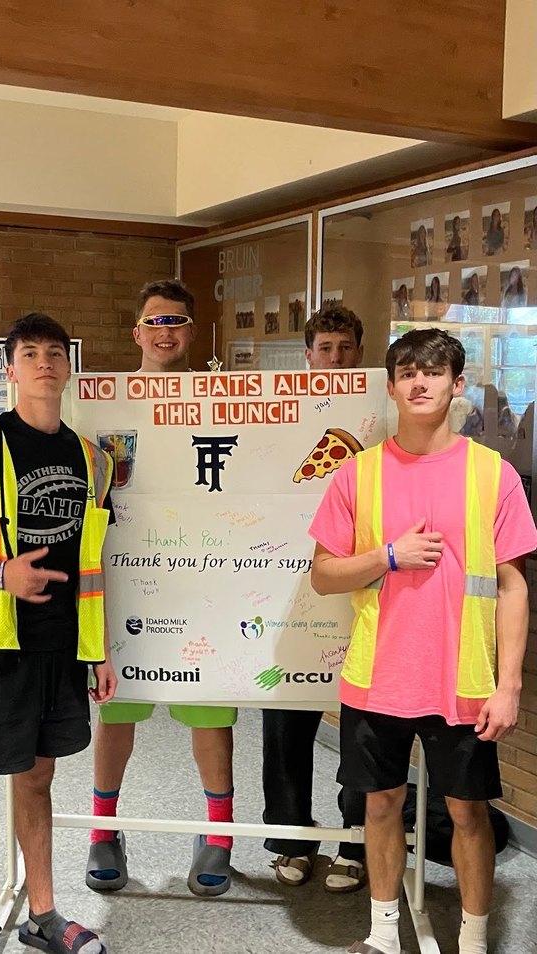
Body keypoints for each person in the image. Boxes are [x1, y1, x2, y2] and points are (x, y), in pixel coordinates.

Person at [309, 328, 537, 954]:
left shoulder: (494, 475)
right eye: (407, 372)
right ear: (390, 386)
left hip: (464, 681)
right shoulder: (358, 474)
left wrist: (508, 684)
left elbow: (514, 587)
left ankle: (473, 938)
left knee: (467, 813)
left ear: (456, 385)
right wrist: (387, 556)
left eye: (433, 373)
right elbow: (324, 575)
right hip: (377, 676)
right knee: (379, 806)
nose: (419, 382)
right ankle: (382, 934)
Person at [0, 313, 116, 954]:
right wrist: (0, 574)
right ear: (9, 369)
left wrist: (101, 651)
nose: (44, 363)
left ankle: (43, 913)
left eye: (55, 353)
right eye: (30, 353)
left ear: (68, 367)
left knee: (36, 780)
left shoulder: (93, 460)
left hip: (60, 646)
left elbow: (94, 562)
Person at [86, 279, 239, 898]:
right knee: (117, 708)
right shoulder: (106, 406)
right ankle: (102, 829)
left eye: (177, 320)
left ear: (192, 331)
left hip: (202, 577)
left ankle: (220, 834)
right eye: (155, 321)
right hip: (126, 577)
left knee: (210, 710)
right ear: (137, 333)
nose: (166, 330)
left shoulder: (220, 400)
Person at [260, 304, 368, 892]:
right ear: (307, 355)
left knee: (364, 725)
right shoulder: (277, 417)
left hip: (363, 591)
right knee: (285, 724)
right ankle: (290, 839)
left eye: (346, 347)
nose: (335, 358)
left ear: (360, 350)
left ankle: (358, 839)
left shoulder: (380, 412)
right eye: (325, 348)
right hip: (287, 592)